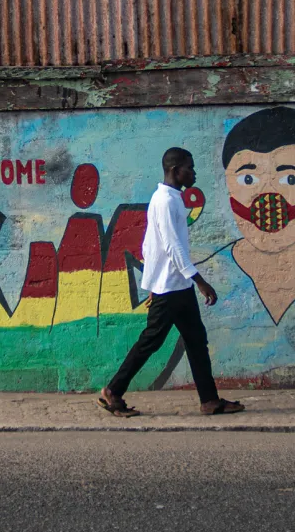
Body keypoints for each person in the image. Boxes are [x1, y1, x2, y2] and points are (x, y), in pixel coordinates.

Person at [98, 147, 245, 418]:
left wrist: (158, 282)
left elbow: (149, 245)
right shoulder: (165, 201)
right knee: (151, 341)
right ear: (175, 170)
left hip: (177, 286)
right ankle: (113, 391)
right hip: (171, 288)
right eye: (190, 167)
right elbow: (171, 246)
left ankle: (209, 401)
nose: (194, 172)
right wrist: (200, 281)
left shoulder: (171, 198)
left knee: (196, 340)